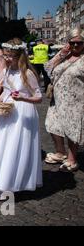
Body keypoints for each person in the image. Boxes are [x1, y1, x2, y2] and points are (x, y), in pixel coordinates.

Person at [0, 39, 43, 200]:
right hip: (8, 113)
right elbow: (6, 92)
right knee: (3, 146)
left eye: (10, 56)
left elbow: (38, 97)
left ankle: (11, 185)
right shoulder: (7, 72)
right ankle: (1, 180)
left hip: (23, 114)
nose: (7, 59)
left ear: (19, 56)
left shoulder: (27, 74)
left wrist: (23, 99)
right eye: (5, 55)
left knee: (17, 148)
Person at [44, 28, 84, 172]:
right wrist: (62, 53)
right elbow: (47, 68)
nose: (75, 46)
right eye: (72, 42)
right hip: (57, 99)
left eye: (79, 43)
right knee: (52, 124)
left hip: (76, 101)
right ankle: (60, 153)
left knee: (72, 129)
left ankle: (72, 159)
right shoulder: (64, 56)